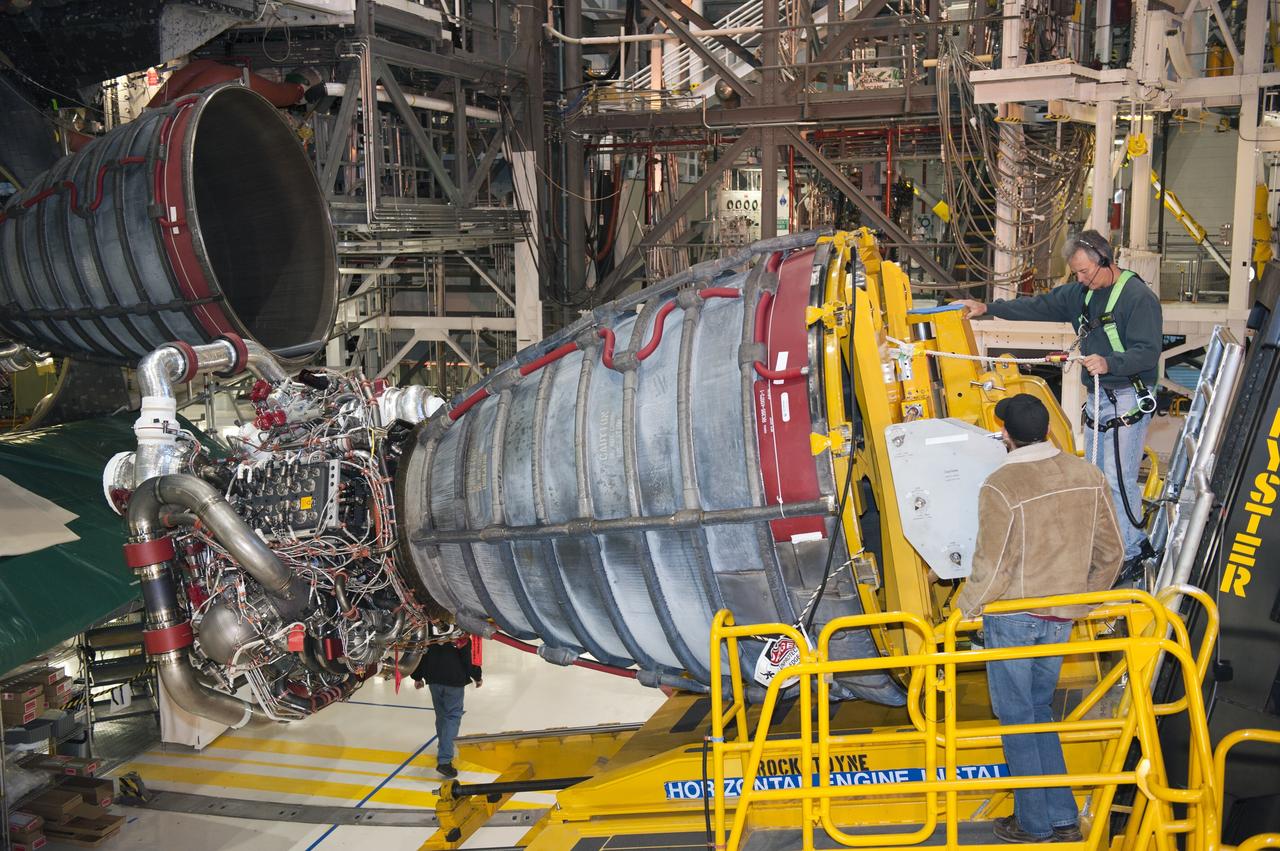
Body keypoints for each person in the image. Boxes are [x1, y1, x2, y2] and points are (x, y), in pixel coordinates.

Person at [956, 394, 1124, 843]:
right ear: (1049, 429)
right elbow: (1113, 553)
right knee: (1038, 712)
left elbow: (993, 568)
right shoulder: (1087, 475)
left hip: (1014, 618)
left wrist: (960, 611)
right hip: (1061, 620)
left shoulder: (1002, 485)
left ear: (1005, 433)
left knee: (1017, 719)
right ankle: (1062, 817)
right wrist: (1081, 601)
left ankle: (1033, 824)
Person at [956, 230, 1162, 578]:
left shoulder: (1138, 298)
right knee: (1097, 476)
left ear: (1104, 260)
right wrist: (989, 308)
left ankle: (1132, 550)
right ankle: (1110, 545)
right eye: (1076, 273)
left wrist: (1111, 363)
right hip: (1101, 395)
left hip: (1127, 396)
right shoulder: (1081, 293)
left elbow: (1147, 352)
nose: (1080, 279)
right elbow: (1038, 305)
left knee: (1116, 477)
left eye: (1084, 272)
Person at [411, 633, 483, 779]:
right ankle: (444, 761)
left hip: (434, 679)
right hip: (454, 680)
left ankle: (443, 744)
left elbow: (419, 654)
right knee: (452, 717)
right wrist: (477, 676)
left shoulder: (428, 630)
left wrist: (417, 677)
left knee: (441, 716)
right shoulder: (458, 634)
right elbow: (468, 658)